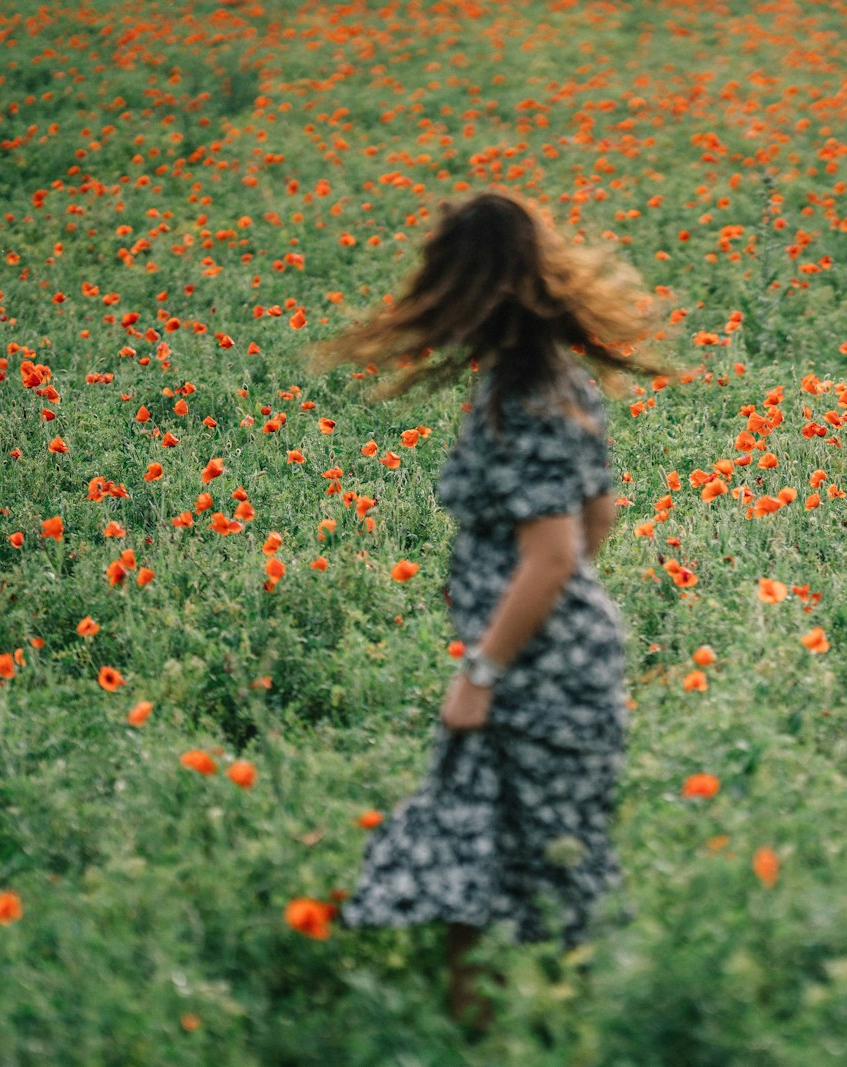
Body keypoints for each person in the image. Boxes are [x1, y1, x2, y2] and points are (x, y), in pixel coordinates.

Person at [305, 187, 663, 1031]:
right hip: (567, 657)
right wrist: (549, 611)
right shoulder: (563, 381)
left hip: (528, 675)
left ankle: (486, 1035)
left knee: (484, 860)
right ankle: (544, 1027)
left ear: (476, 287)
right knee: (545, 860)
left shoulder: (523, 399)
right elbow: (598, 516)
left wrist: (487, 666)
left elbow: (553, 553)